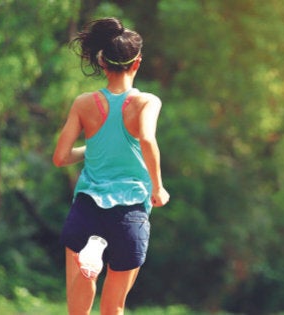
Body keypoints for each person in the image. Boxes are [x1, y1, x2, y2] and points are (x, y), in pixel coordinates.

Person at [53, 17, 170, 315]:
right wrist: (158, 188)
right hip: (129, 212)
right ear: (137, 63)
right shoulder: (147, 102)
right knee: (113, 307)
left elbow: (60, 158)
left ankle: (91, 252)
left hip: (87, 207)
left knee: (77, 309)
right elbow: (146, 138)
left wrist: (90, 147)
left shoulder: (83, 103)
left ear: (102, 61)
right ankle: (97, 252)